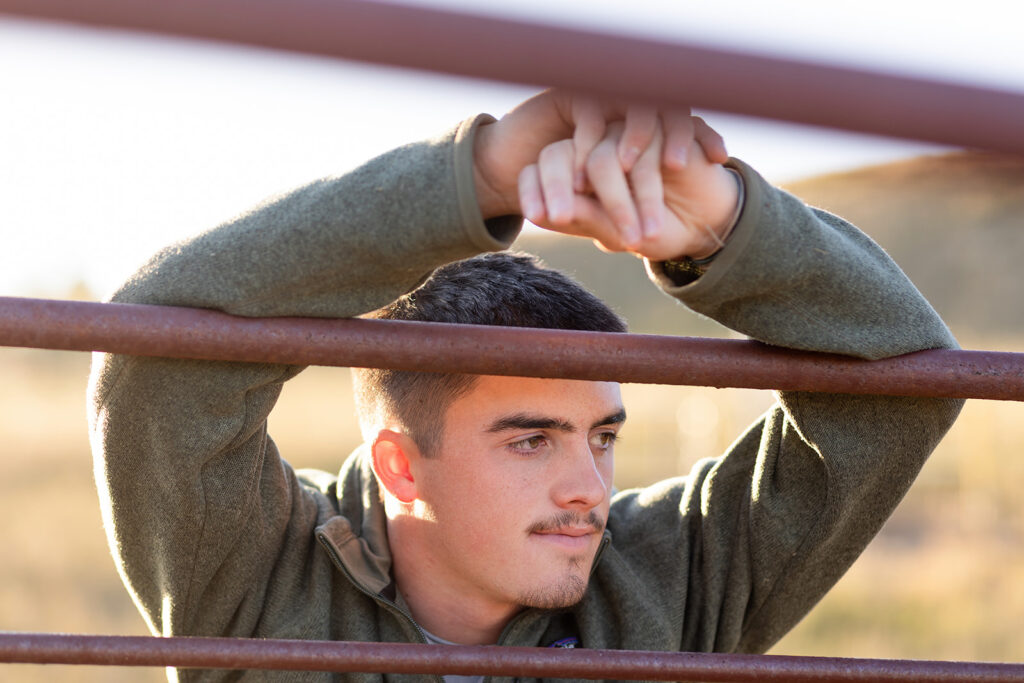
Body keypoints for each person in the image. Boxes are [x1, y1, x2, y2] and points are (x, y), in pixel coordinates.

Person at [88, 90, 962, 682]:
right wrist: (479, 181)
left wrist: (725, 226)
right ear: (399, 465)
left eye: (604, 436)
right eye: (530, 439)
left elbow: (898, 384)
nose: (591, 486)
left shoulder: (665, 578)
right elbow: (158, 352)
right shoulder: (256, 573)